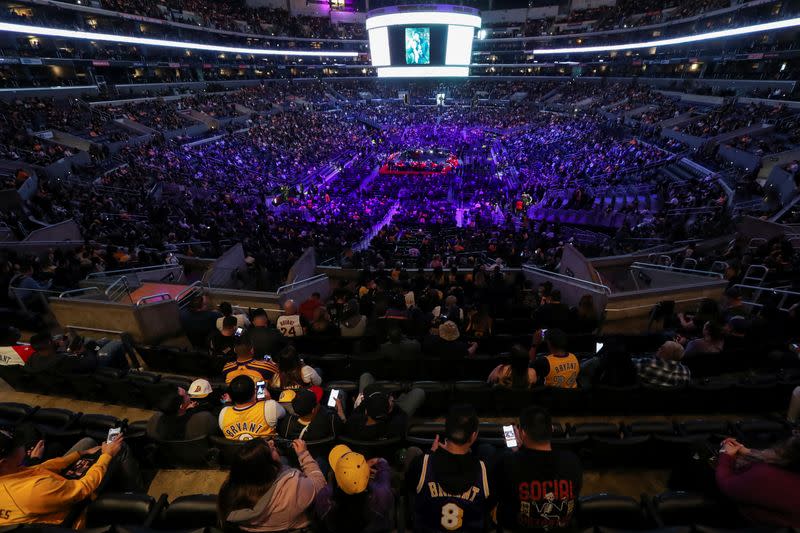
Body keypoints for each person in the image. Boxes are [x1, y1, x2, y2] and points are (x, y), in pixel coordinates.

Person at [0, 429, 124, 526]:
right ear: (4, 462)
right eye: (16, 445)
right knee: (121, 450)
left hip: (56, 489)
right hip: (76, 510)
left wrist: (81, 453)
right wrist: (107, 455)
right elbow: (83, 488)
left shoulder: (9, 472)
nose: (23, 445)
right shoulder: (31, 490)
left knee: (87, 443)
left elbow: (38, 469)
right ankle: (135, 497)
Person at [492, 406, 582, 530]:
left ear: (522, 433)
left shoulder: (508, 462)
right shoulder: (572, 461)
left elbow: (500, 495)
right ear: (551, 429)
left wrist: (517, 452)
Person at [406, 405, 493, 532]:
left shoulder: (422, 464)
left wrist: (431, 454)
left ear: (446, 431)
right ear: (474, 436)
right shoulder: (485, 471)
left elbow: (408, 489)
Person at [218, 438, 325, 532]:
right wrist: (304, 455)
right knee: (321, 461)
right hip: (299, 522)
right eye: (270, 449)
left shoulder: (229, 491)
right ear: (269, 469)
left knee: (283, 460)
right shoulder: (294, 488)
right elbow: (320, 486)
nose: (272, 442)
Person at [716, 436, 800, 526]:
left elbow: (726, 484)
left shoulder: (767, 476)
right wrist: (746, 451)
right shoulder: (791, 467)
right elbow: (778, 459)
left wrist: (726, 455)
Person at [314, 445, 394, 533]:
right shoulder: (381, 494)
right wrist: (379, 461)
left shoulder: (324, 496)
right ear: (368, 474)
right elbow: (385, 474)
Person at [218, 375, 285, 440]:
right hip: (264, 450)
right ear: (254, 392)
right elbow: (284, 413)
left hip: (235, 451)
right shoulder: (269, 407)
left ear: (231, 396)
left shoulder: (223, 413)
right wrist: (268, 400)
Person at [277, 388, 345, 441]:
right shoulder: (331, 419)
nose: (319, 404)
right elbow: (343, 431)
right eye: (317, 402)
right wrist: (341, 414)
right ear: (313, 410)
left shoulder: (287, 423)